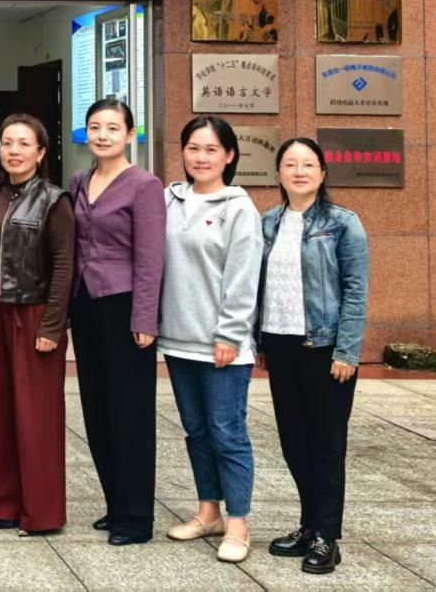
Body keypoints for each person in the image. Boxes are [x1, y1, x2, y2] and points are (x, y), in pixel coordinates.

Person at [258, 137, 368, 575]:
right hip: (280, 344)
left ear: (322, 173)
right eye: (290, 164)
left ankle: (327, 536)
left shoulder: (343, 223)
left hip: (324, 349)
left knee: (326, 445)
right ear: (279, 173)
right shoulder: (268, 221)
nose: (299, 171)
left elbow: (356, 292)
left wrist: (347, 351)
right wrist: (262, 344)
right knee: (294, 443)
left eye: (308, 164)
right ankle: (308, 525)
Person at [160, 115, 262, 564]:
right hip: (177, 339)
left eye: (211, 149)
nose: (200, 157)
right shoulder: (169, 199)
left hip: (222, 344)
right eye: (193, 148)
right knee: (196, 431)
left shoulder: (238, 209)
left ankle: (238, 524)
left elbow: (243, 277)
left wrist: (230, 333)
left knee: (227, 432)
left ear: (229, 155)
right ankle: (209, 513)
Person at [69, 99, 165, 546]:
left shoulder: (145, 185)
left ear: (130, 134)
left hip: (125, 306)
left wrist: (145, 317)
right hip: (86, 304)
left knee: (131, 412)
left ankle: (136, 517)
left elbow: (150, 258)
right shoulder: (79, 181)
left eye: (112, 127)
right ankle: (114, 503)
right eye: (95, 127)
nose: (102, 135)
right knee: (98, 407)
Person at [0, 113, 74, 536]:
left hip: (33, 311)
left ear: (40, 152)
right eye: (7, 142)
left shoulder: (54, 200)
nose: (14, 151)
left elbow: (64, 265)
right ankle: (3, 505)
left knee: (37, 416)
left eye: (23, 144)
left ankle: (42, 513)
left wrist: (52, 326)